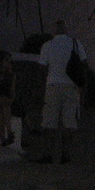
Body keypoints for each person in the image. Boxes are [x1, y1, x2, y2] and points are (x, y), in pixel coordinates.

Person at [37, 19, 86, 164]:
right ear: (66, 29)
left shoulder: (47, 45)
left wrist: (40, 87)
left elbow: (42, 68)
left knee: (49, 122)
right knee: (69, 123)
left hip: (52, 86)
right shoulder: (76, 43)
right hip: (71, 87)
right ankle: (65, 154)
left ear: (54, 30)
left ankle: (48, 154)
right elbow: (83, 65)